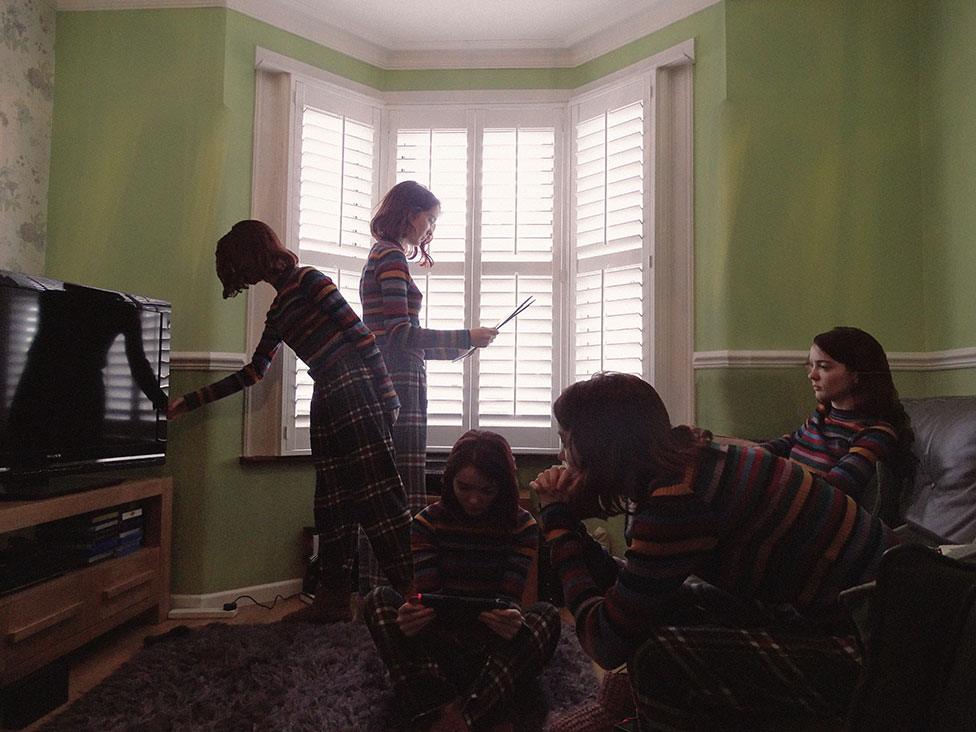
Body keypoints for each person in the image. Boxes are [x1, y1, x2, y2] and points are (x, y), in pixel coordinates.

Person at [532, 372, 901, 729]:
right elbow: (636, 590)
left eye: (567, 441)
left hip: (874, 649)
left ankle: (624, 711)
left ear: (600, 447)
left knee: (658, 653)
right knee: (673, 603)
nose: (563, 456)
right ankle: (619, 709)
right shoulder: (692, 460)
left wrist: (558, 524)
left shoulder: (678, 500)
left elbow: (606, 642)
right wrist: (574, 527)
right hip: (838, 617)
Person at [167, 220, 412, 622]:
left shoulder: (311, 281)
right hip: (328, 398)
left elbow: (362, 336)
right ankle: (334, 602)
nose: (245, 278)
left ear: (255, 254)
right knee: (332, 504)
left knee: (380, 498)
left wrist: (387, 396)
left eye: (242, 266)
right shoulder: (279, 309)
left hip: (355, 388)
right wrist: (188, 401)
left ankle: (415, 598)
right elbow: (253, 372)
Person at [364, 430, 561, 732]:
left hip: (491, 648)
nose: (473, 499)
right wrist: (412, 616)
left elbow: (508, 600)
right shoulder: (427, 523)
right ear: (449, 480)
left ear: (503, 487)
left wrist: (510, 619)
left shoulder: (522, 526)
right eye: (464, 487)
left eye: (487, 490)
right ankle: (480, 709)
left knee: (545, 616)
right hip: (439, 646)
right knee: (378, 600)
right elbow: (430, 599)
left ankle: (439, 713)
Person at [358, 180, 498, 590]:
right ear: (410, 214)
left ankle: (383, 588)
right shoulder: (391, 258)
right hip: (397, 382)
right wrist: (465, 337)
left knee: (391, 485)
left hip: (393, 375)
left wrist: (456, 349)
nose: (429, 229)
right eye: (429, 218)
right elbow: (400, 335)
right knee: (401, 485)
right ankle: (401, 590)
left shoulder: (381, 255)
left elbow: (392, 333)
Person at [758, 326, 916, 512]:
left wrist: (769, 476)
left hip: (814, 520)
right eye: (811, 365)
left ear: (856, 375)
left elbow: (831, 491)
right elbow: (786, 443)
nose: (812, 375)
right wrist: (752, 455)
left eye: (823, 367)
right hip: (783, 506)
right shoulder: (821, 416)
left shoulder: (875, 434)